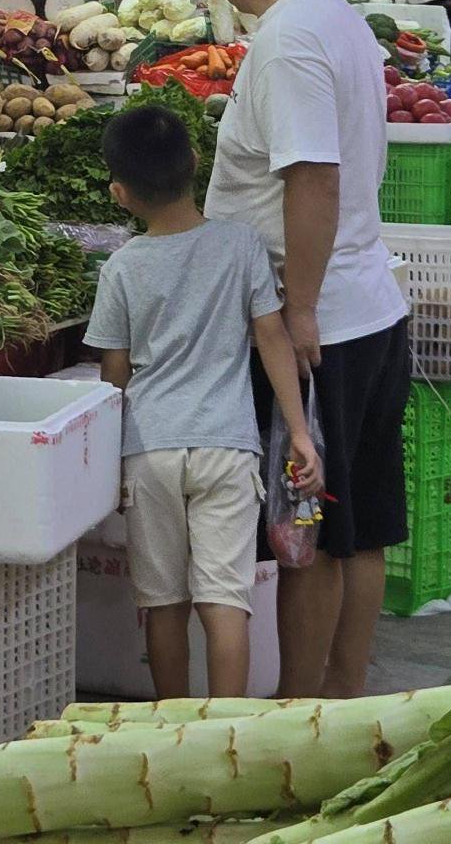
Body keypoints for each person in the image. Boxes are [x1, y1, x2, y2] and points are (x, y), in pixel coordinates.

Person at [187, 0, 411, 700]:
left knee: (306, 532)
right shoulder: (336, 17)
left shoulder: (286, 40)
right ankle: (345, 702)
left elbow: (312, 177)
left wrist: (302, 308)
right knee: (358, 531)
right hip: (368, 306)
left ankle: (301, 713)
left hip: (322, 323)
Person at [85, 104, 321, 700]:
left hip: (150, 451)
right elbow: (273, 339)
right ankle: (228, 732)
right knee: (226, 603)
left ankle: (173, 726)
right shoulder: (241, 246)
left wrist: (107, 463)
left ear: (118, 192)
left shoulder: (120, 268)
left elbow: (113, 376)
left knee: (163, 605)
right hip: (228, 447)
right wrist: (297, 431)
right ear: (196, 162)